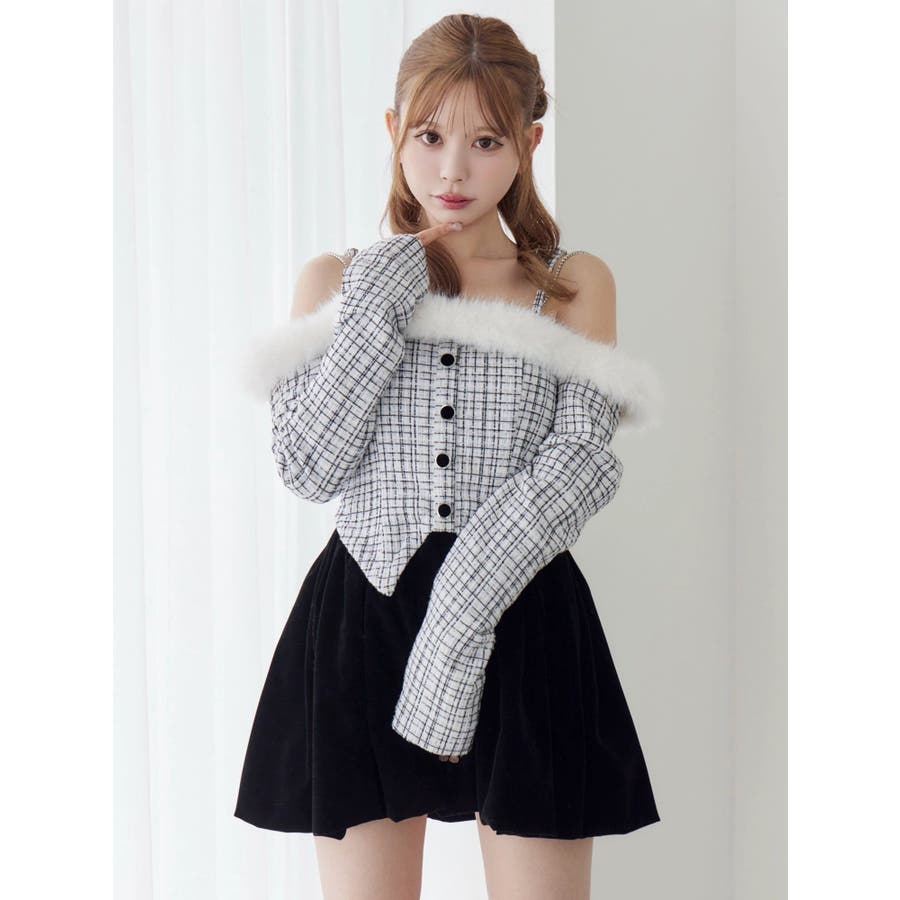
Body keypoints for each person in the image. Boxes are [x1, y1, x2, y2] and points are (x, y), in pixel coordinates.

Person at [235, 13, 662, 899]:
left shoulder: (571, 285)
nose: (452, 171)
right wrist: (373, 310)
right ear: (394, 131)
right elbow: (310, 468)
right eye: (429, 137)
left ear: (529, 143)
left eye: (486, 141)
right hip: (363, 618)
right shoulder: (336, 281)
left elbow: (578, 468)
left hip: (524, 618)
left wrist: (459, 613)